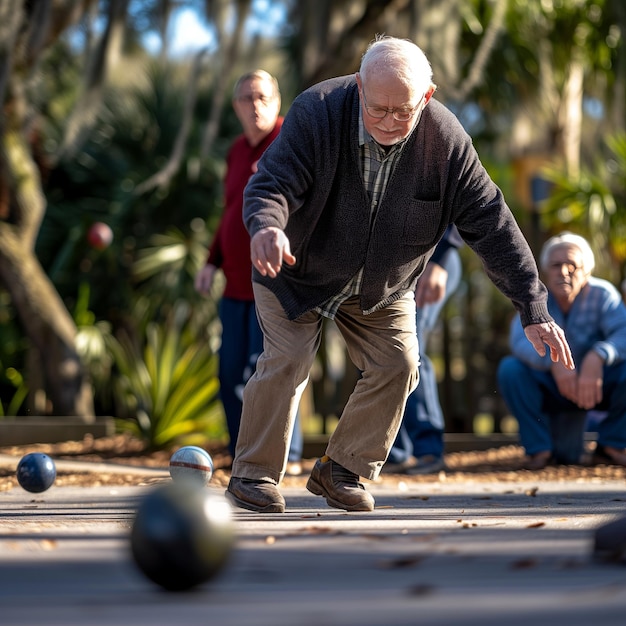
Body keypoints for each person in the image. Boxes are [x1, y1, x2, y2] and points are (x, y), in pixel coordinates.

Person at [226, 36, 574, 514]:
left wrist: (532, 308)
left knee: (400, 362)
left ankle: (342, 469)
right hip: (296, 268)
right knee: (287, 360)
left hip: (382, 283)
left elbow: (493, 224)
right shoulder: (318, 111)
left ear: (426, 97)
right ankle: (254, 476)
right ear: (358, 86)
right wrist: (267, 227)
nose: (390, 121)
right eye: (378, 108)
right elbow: (272, 182)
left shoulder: (447, 141)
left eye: (403, 111)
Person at [194, 70, 302, 472]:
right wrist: (210, 262)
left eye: (261, 96)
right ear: (235, 107)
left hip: (276, 282)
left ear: (276, 100)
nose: (254, 105)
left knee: (273, 370)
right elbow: (228, 214)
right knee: (229, 376)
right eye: (245, 98)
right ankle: (245, 455)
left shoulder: (290, 139)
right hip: (235, 286)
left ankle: (285, 455)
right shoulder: (236, 150)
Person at [497, 232, 626, 469]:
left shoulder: (604, 294)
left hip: (596, 385)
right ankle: (539, 450)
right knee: (510, 369)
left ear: (587, 271)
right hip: (551, 385)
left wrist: (598, 356)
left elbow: (623, 334)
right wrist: (552, 362)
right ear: (545, 271)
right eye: (556, 265)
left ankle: (611, 446)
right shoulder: (532, 297)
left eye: (572, 266)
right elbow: (519, 342)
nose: (563, 271)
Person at [384, 225, 463, 475]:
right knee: (383, 351)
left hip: (432, 262)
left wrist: (440, 259)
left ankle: (428, 449)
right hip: (389, 265)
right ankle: (395, 452)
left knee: (410, 348)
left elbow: (464, 210)